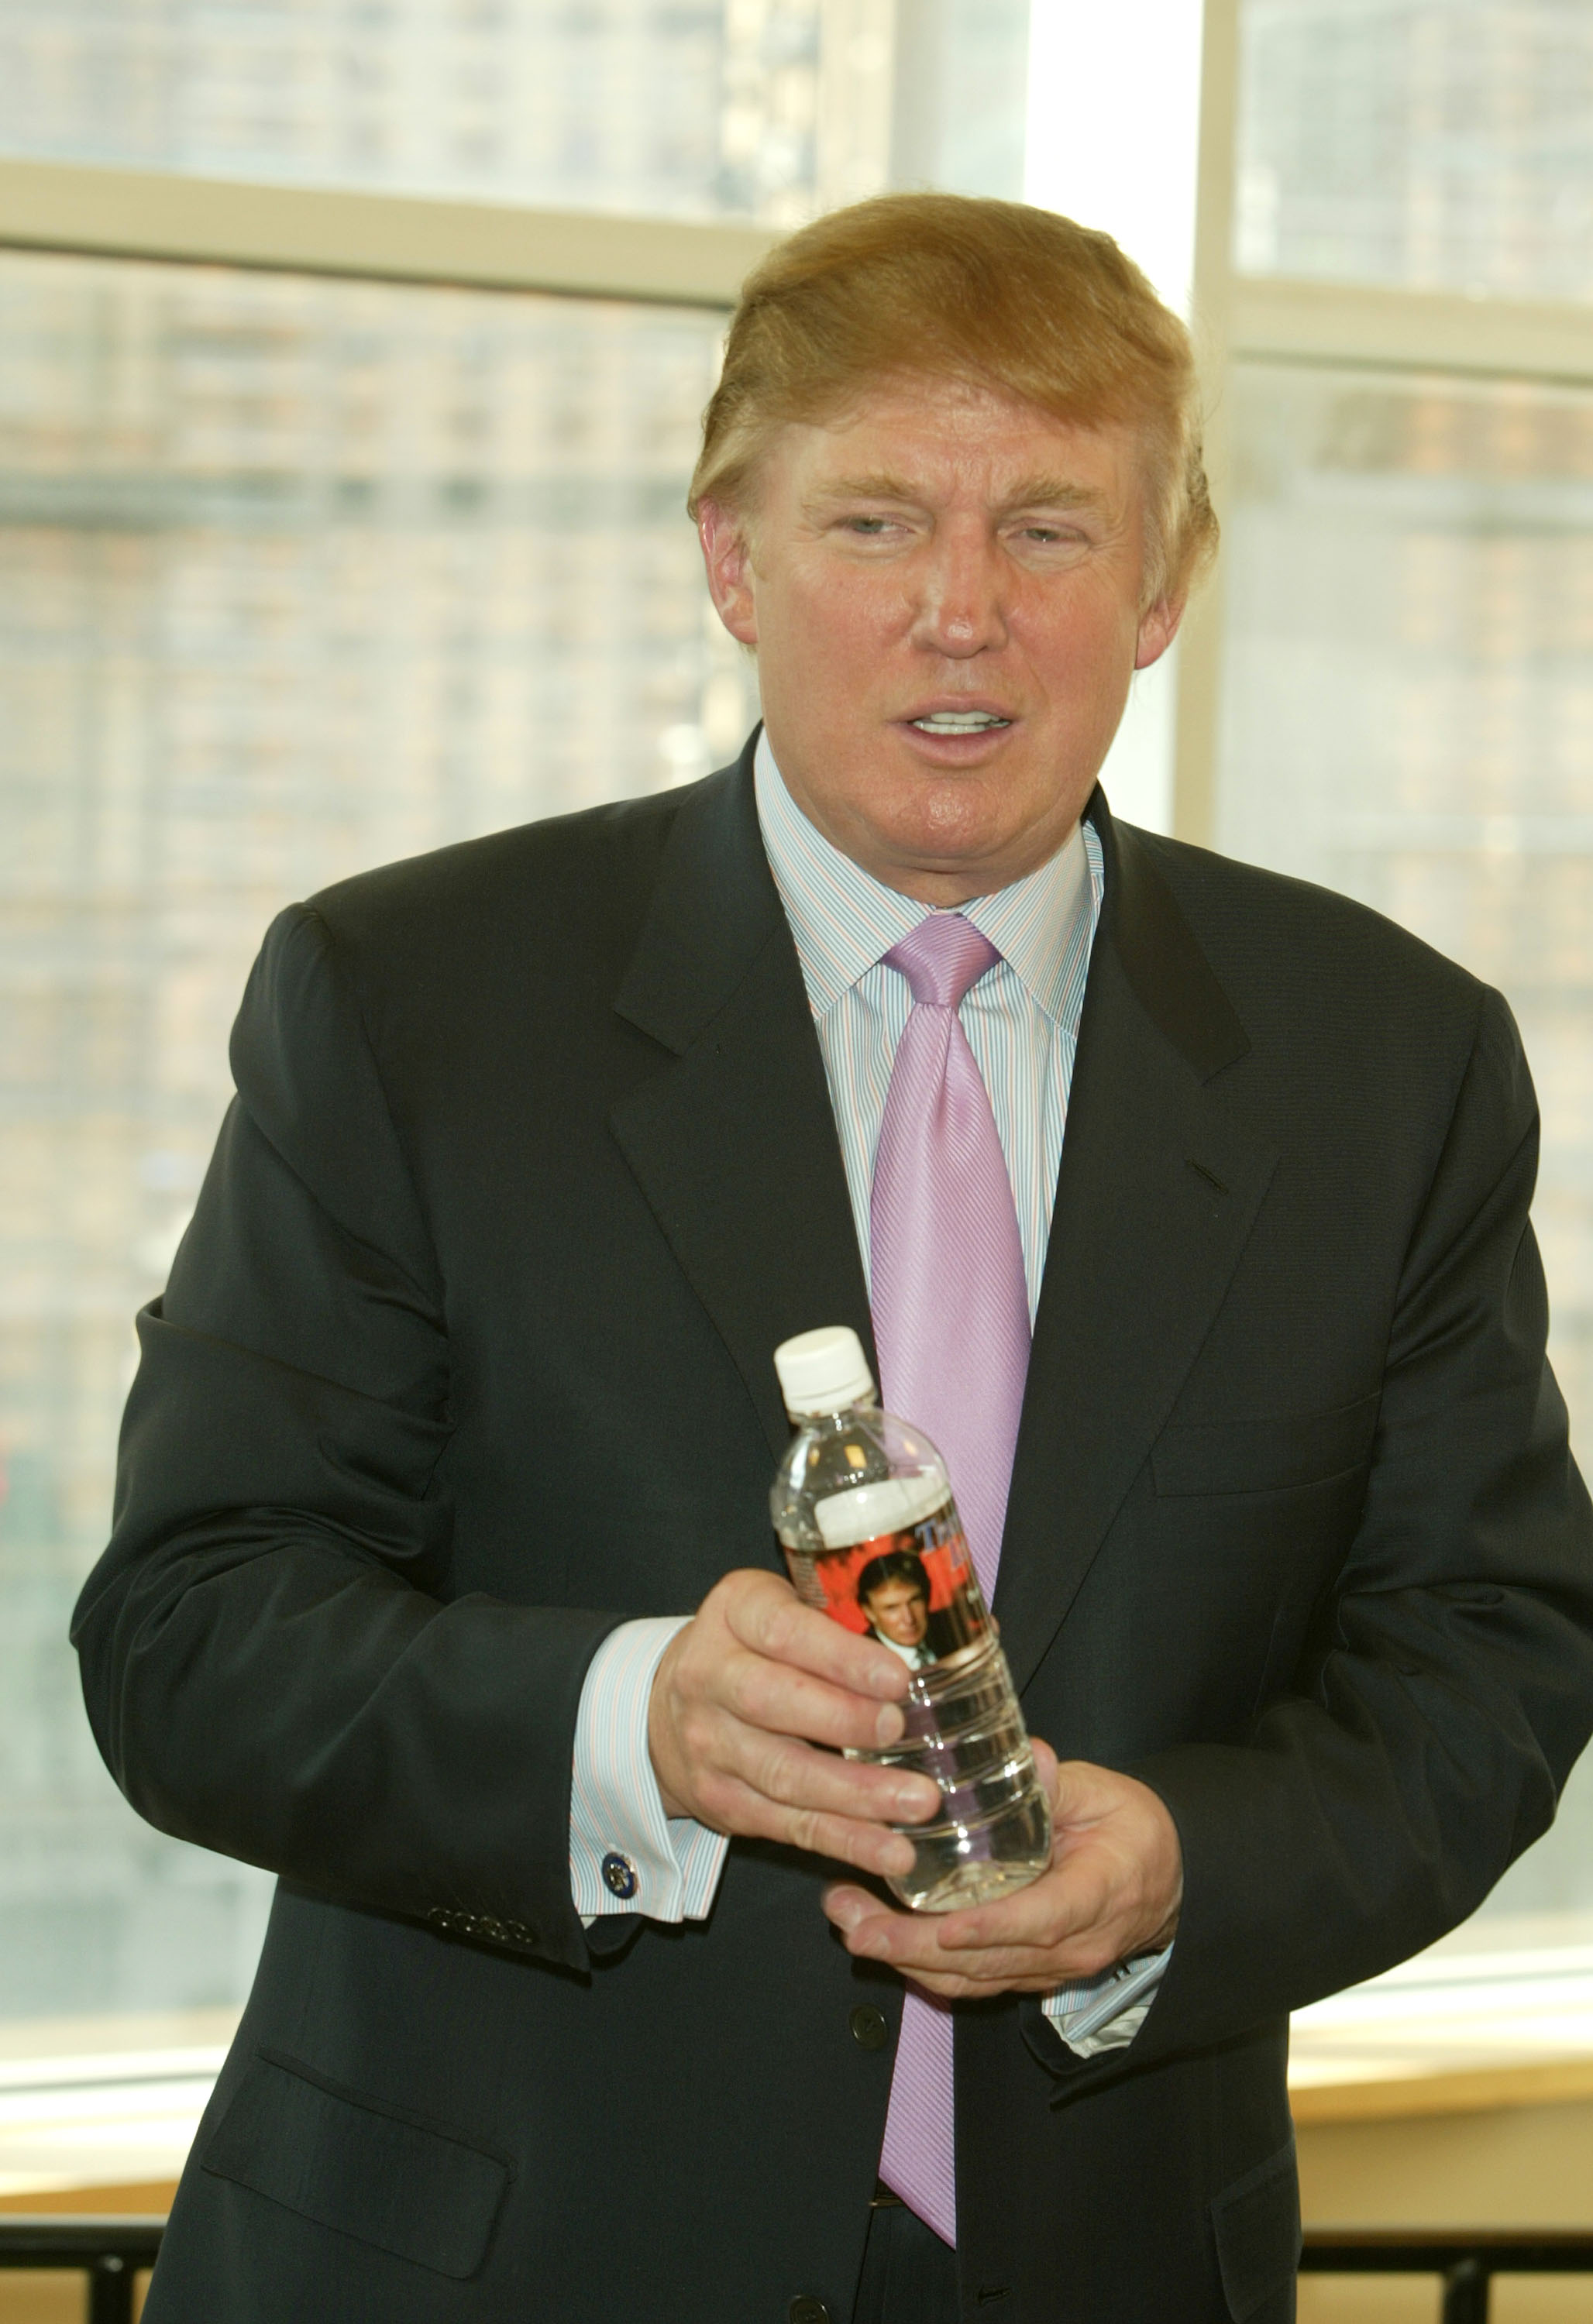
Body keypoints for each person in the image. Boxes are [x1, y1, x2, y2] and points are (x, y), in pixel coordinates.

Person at [72, 193, 1593, 2324]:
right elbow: (190, 1637)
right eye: (877, 522)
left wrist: (1182, 1865)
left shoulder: (1390, 1060)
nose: (962, 612)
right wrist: (628, 1727)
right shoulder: (412, 1003)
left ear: (1163, 586)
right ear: (732, 559)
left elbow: (1490, 1663)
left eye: (1051, 530)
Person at [856, 1549, 937, 1669]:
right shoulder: (860, 1663)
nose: (909, 1619)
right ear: (869, 1612)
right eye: (892, 1608)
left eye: (914, 1600)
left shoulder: (952, 1629)